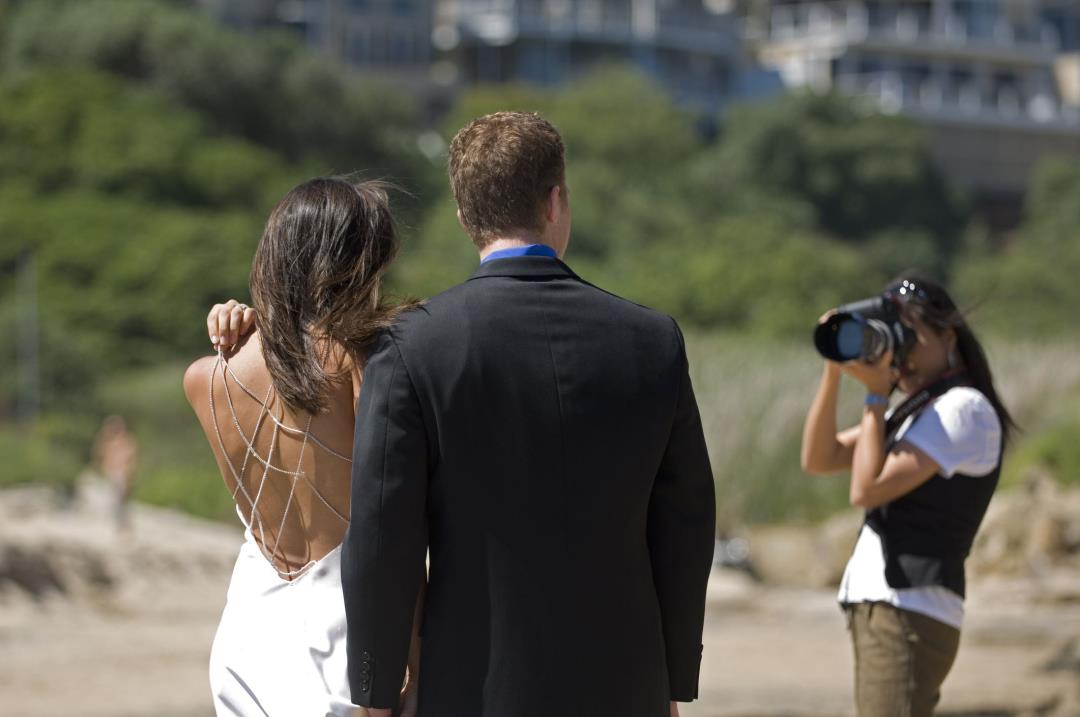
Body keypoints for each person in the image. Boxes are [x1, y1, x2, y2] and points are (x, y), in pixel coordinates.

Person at [341, 111, 717, 717]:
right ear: (556, 200)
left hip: (473, 689)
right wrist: (671, 682)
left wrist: (376, 693)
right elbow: (687, 525)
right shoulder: (653, 341)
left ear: (465, 217)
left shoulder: (411, 346)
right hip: (626, 689)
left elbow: (385, 539)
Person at [183, 177, 421, 717]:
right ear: (353, 266)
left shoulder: (204, 379)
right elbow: (396, 531)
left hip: (248, 637)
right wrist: (416, 658)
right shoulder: (366, 366)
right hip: (344, 640)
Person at [801, 275, 1015, 717]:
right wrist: (834, 369)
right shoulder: (917, 412)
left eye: (911, 337)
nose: (904, 353)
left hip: (908, 609)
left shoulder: (962, 409)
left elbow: (865, 489)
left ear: (948, 336)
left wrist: (876, 393)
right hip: (888, 608)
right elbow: (820, 458)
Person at [92, 414, 138, 534]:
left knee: (120, 501)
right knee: (115, 501)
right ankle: (120, 526)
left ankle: (123, 527)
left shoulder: (125, 442)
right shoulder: (109, 442)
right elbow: (101, 456)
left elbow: (130, 460)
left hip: (121, 474)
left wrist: (128, 477)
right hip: (113, 474)